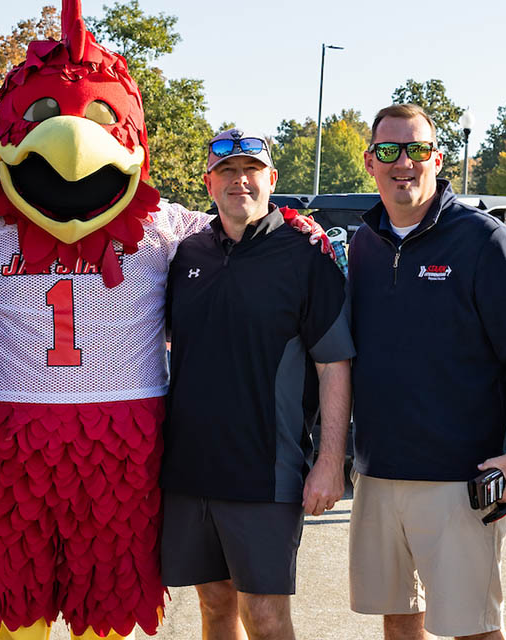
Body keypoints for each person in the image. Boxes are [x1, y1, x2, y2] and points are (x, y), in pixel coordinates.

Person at [347, 103, 506, 640]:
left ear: (437, 159)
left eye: (416, 149)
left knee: (473, 629)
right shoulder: (362, 243)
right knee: (398, 620)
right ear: (370, 161)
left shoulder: (483, 240)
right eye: (389, 151)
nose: (403, 163)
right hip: (377, 472)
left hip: (460, 478)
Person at [161, 129, 353, 640]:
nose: (238, 180)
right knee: (215, 606)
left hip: (266, 472)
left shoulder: (306, 253)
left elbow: (334, 363)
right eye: (226, 171)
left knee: (265, 617)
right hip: (190, 468)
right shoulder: (185, 255)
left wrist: (331, 462)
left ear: (271, 179)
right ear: (208, 183)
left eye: (250, 170)